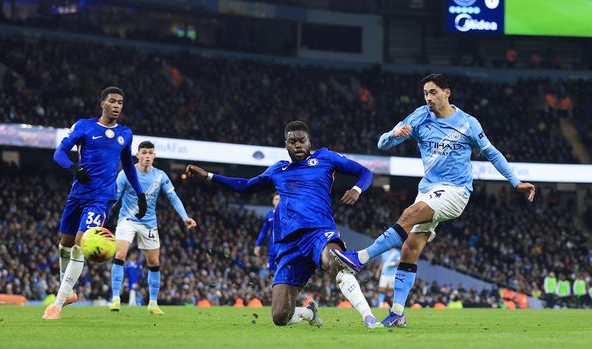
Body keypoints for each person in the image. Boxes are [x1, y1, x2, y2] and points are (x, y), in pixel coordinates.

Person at [331, 74, 536, 327]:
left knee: (408, 214)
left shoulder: (467, 123)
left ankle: (360, 258)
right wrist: (395, 133)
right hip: (428, 189)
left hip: (456, 191)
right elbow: (382, 143)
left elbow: (492, 154)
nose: (429, 97)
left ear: (446, 92)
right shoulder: (419, 116)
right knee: (409, 249)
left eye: (433, 92)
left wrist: (515, 182)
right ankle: (397, 313)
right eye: (425, 93)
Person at [185, 121, 381, 328]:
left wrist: (357, 189)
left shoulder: (326, 157)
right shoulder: (278, 170)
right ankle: (309, 312)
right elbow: (245, 186)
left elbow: (366, 173)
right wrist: (209, 176)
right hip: (288, 244)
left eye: (302, 141)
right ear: (286, 145)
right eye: (292, 141)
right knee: (280, 317)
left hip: (319, 232)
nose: (298, 145)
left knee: (335, 262)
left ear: (309, 142)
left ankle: (369, 318)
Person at [43, 87, 147, 320]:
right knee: (65, 244)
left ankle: (56, 306)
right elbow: (59, 153)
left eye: (120, 102)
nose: (117, 105)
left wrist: (139, 193)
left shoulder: (125, 134)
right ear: (102, 103)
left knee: (81, 243)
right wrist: (73, 168)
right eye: (112, 101)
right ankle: (68, 291)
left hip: (101, 198)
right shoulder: (84, 126)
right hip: (78, 194)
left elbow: (128, 166)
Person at [109, 141, 197, 314]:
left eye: (150, 152)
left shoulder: (160, 176)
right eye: (144, 152)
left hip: (149, 223)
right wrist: (101, 215)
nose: (148, 156)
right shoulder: (126, 174)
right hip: (127, 220)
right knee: (120, 254)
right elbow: (114, 198)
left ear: (154, 156)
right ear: (138, 155)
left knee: (154, 262)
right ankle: (115, 298)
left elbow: (173, 197)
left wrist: (185, 217)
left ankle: (153, 303)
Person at [254, 193, 280, 273]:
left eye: (280, 199)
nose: (279, 201)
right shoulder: (269, 215)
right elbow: (263, 231)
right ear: (272, 201)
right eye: (276, 199)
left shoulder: (288, 215)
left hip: (284, 247)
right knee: (271, 269)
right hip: (272, 248)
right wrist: (258, 244)